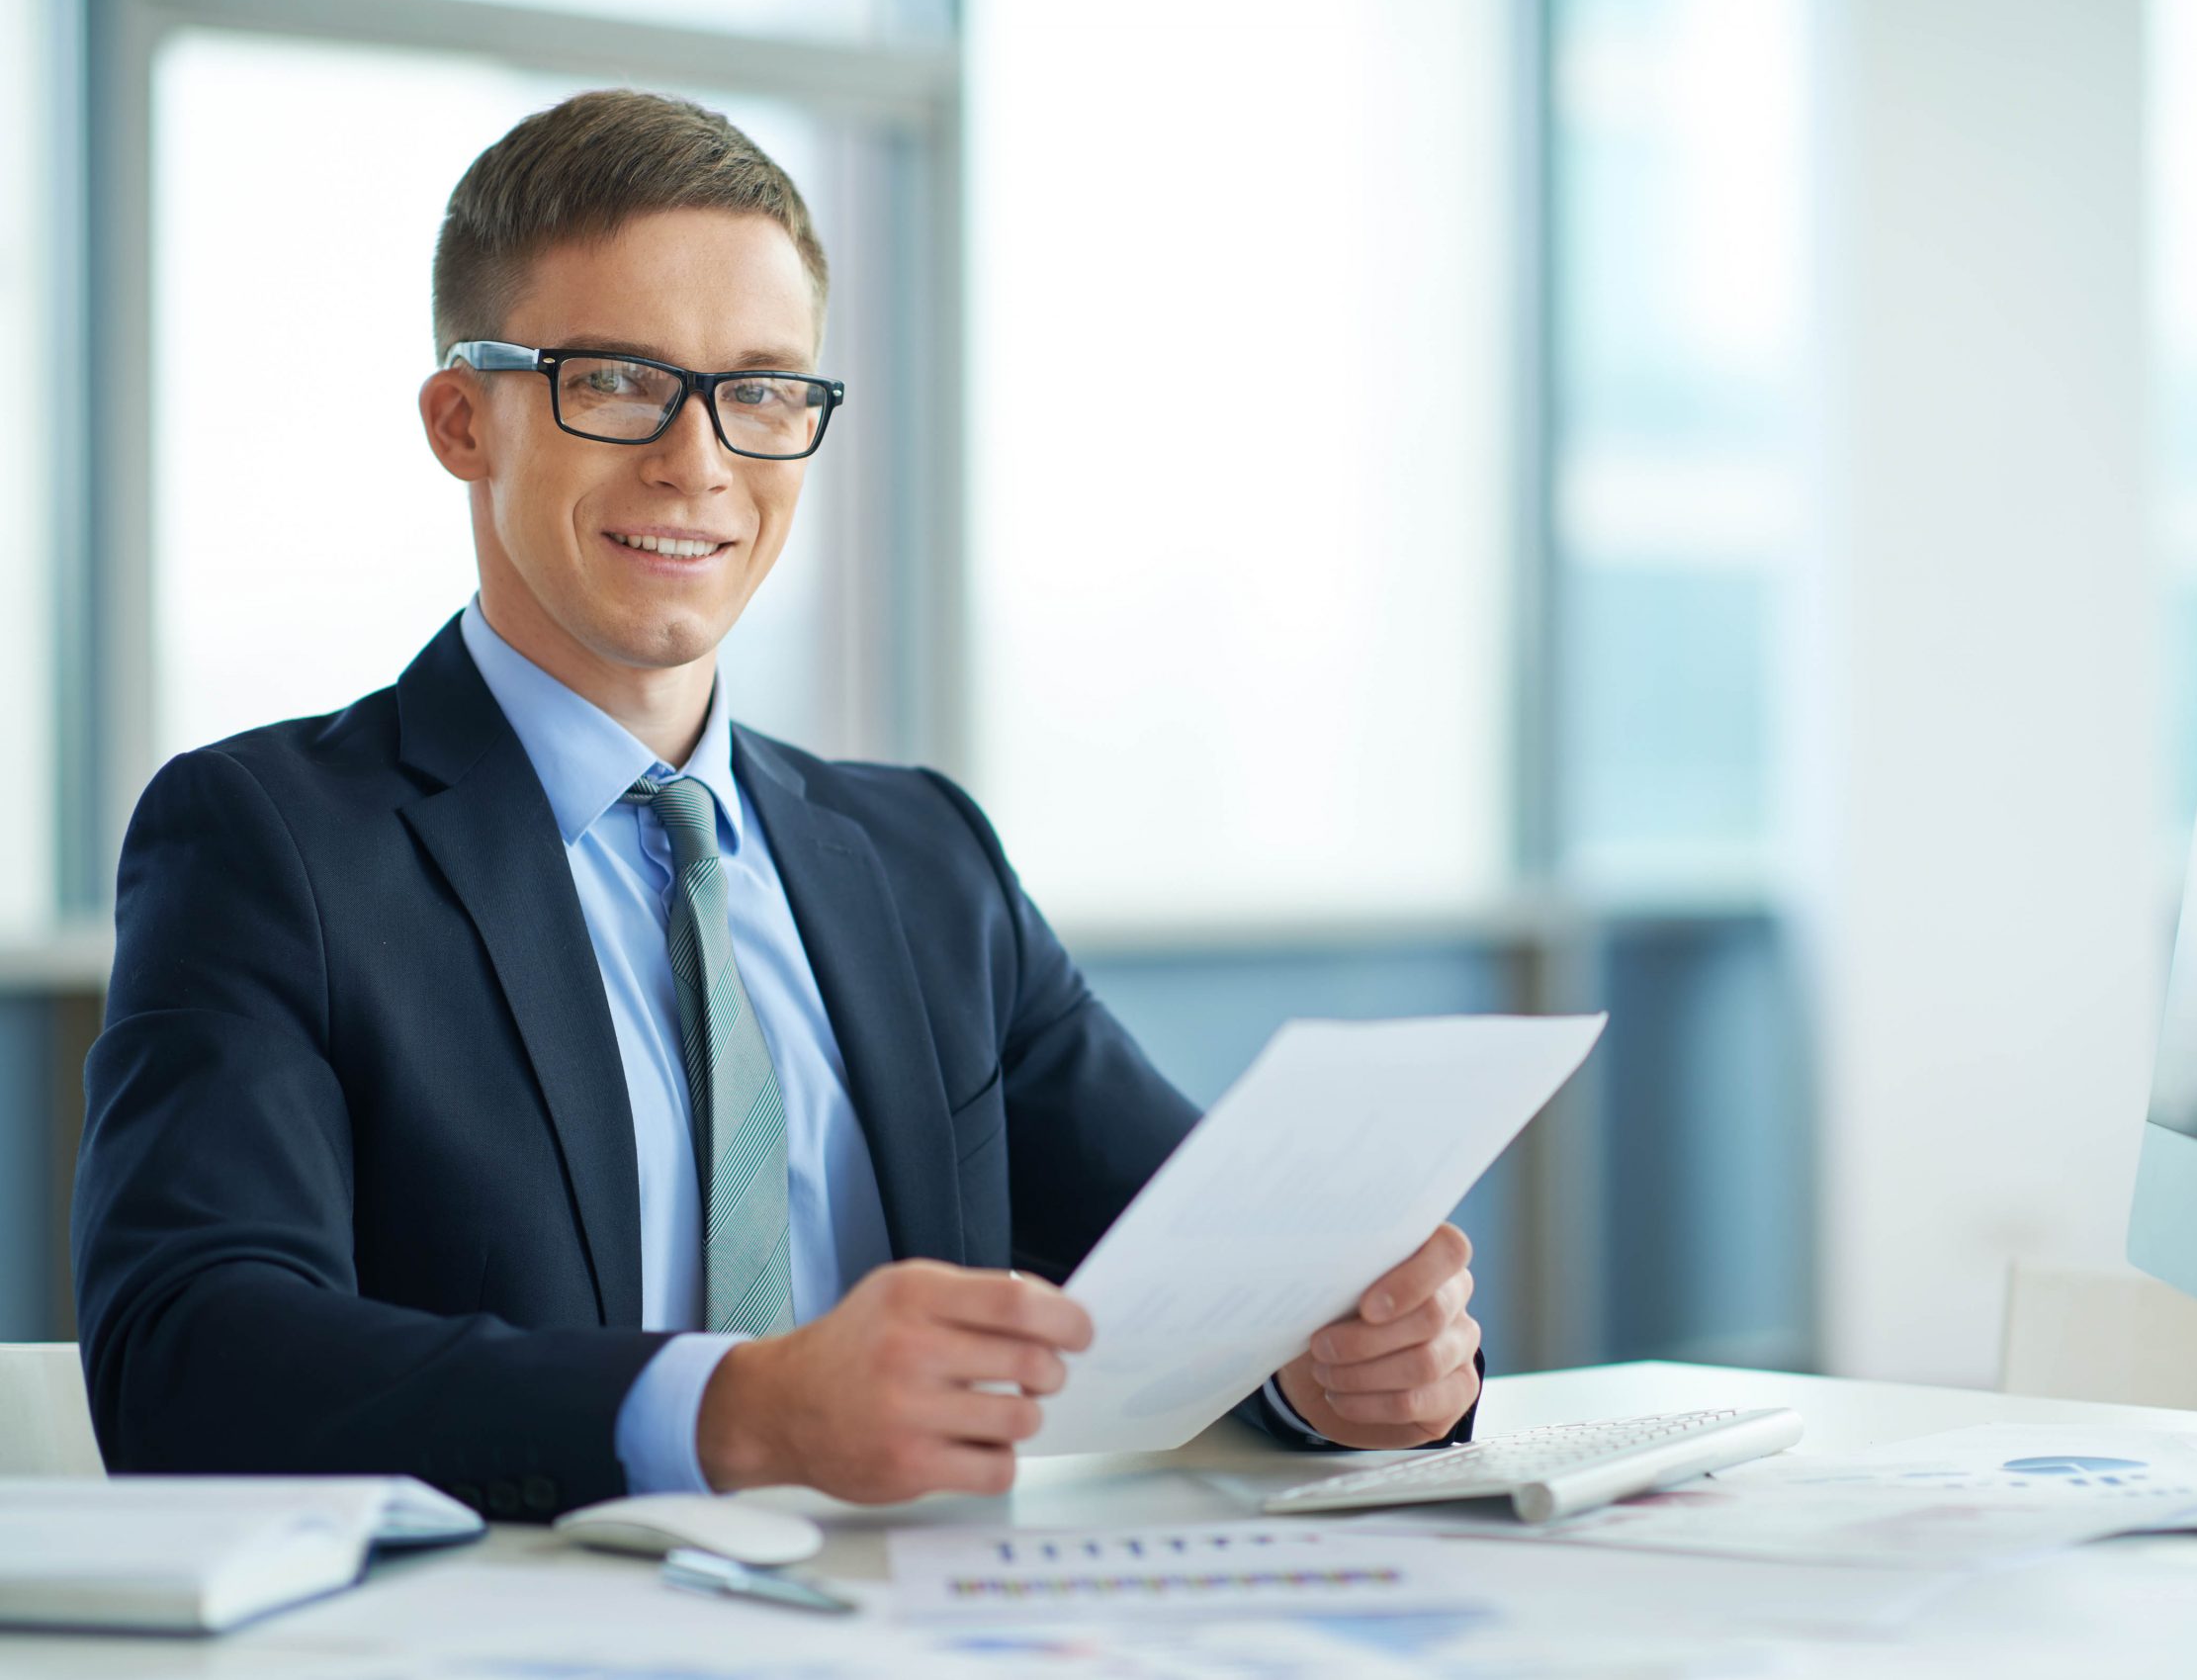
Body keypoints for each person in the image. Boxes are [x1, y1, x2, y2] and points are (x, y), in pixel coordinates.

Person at [71, 90, 1482, 1519]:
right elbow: (186, 1361)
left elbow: (1212, 1266)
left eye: (758, 391)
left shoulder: (925, 862)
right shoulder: (273, 843)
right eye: (617, 379)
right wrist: (733, 1412)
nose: (698, 462)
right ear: (462, 420)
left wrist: (1333, 1365)